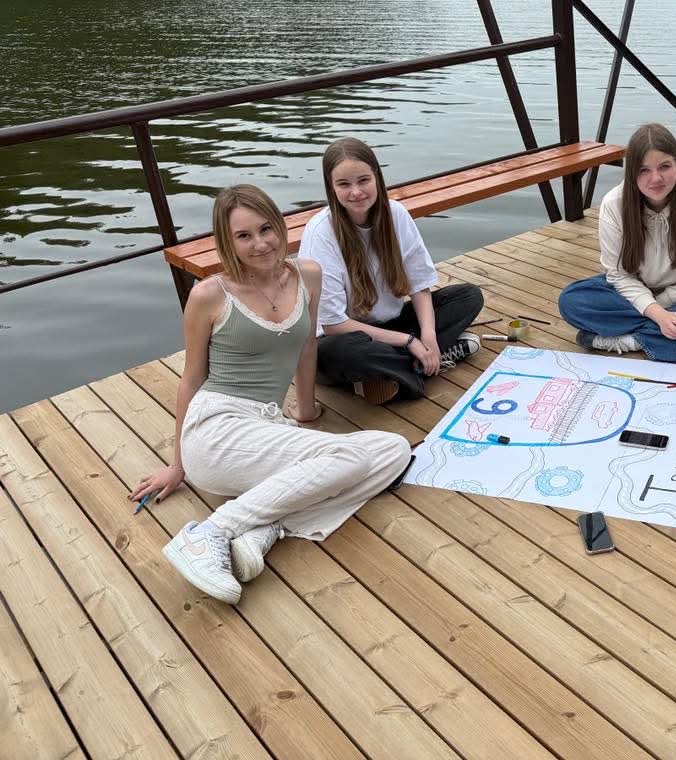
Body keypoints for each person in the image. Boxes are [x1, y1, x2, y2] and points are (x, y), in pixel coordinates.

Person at [130, 184, 412, 605]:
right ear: (227, 241)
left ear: (280, 226)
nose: (260, 243)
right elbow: (191, 379)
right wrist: (178, 464)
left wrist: (307, 411)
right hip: (216, 428)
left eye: (266, 229)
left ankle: (266, 528)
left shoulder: (308, 275)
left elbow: (307, 347)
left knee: (393, 450)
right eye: (243, 236)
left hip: (267, 425)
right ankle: (210, 532)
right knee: (350, 458)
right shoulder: (210, 294)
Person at [298, 137, 484, 404]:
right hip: (342, 337)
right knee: (343, 352)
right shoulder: (321, 233)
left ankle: (396, 371)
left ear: (377, 177)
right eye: (344, 184)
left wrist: (428, 336)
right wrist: (410, 342)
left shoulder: (396, 214)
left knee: (468, 296)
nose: (356, 192)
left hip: (389, 327)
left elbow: (419, 284)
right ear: (331, 187)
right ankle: (418, 369)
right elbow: (333, 324)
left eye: (363, 180)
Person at [558, 122, 676, 363]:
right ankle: (670, 340)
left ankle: (631, 340)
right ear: (631, 172)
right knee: (573, 300)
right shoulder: (614, 204)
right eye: (643, 170)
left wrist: (661, 307)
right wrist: (658, 315)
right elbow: (619, 276)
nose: (656, 178)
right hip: (631, 293)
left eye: (664, 167)